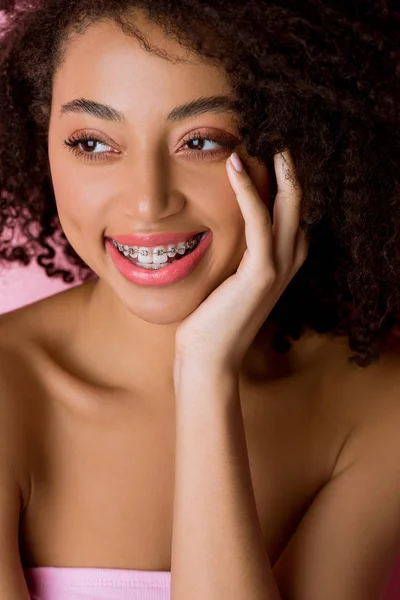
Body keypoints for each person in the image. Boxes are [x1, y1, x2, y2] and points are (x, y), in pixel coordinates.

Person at [0, 1, 400, 598]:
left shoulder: (377, 408)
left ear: (295, 153)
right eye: (92, 143)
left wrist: (207, 376)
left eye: (202, 142)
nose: (147, 201)